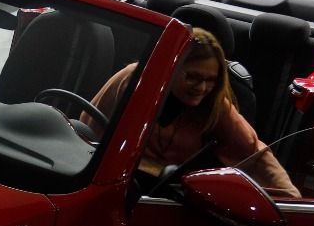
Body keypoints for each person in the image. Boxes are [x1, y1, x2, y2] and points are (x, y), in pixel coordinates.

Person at [91, 28, 299, 196]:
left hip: (167, 200)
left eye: (210, 80)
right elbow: (90, 130)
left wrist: (289, 198)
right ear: (171, 68)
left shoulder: (215, 105)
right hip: (111, 186)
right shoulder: (134, 79)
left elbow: (254, 154)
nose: (201, 88)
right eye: (193, 77)